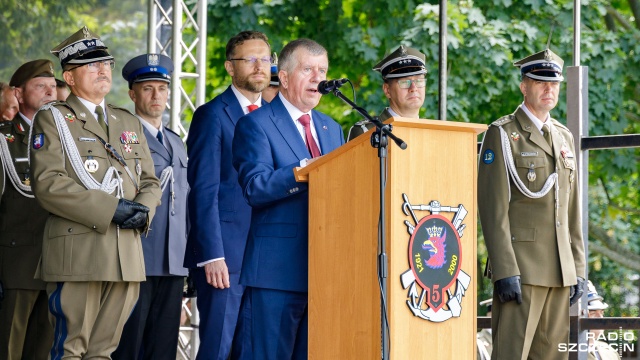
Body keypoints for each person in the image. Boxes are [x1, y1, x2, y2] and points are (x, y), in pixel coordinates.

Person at [30, 26, 161, 358]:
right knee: (70, 349)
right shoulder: (54, 119)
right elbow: (49, 184)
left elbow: (150, 181)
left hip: (125, 257)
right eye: (91, 65)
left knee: (104, 352)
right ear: (69, 77)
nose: (103, 70)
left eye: (106, 63)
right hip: (79, 253)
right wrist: (111, 209)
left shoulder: (126, 122)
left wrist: (142, 210)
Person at [232, 38, 345, 359]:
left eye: (322, 70)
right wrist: (300, 171)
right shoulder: (255, 124)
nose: (317, 78)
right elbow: (254, 188)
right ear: (282, 77)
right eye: (307, 69)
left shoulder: (332, 128)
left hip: (324, 271)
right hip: (275, 274)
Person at [477, 47, 586, 360]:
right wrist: (504, 269)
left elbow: (572, 211)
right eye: (540, 82)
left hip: (560, 268)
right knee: (512, 354)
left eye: (554, 83)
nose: (549, 89)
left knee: (553, 356)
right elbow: (493, 208)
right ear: (524, 86)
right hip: (521, 268)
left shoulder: (564, 137)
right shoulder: (503, 134)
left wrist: (577, 267)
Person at [184, 30, 271, 360]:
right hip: (225, 258)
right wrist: (211, 254)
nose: (259, 66)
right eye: (249, 59)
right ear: (230, 68)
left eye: (265, 59)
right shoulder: (211, 115)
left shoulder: (273, 118)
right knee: (218, 349)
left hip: (265, 258)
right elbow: (203, 190)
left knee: (251, 350)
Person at [112, 53, 188, 360]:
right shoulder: (122, 138)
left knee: (164, 347)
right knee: (128, 346)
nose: (157, 95)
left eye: (162, 88)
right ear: (133, 94)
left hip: (173, 263)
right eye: (147, 88)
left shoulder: (177, 142)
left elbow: (186, 202)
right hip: (137, 256)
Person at [0, 59, 57, 360]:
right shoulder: (3, 139)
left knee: (43, 350)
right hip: (17, 262)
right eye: (40, 86)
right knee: (10, 347)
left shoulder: (66, 138)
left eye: (53, 87)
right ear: (19, 95)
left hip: (56, 263)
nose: (50, 92)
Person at [347, 45, 427, 141]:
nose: (413, 88)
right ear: (387, 90)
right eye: (405, 82)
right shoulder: (366, 132)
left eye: (419, 81)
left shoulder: (432, 132)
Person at [587, 281, 620, 360]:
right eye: (593, 313)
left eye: (602, 312)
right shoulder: (563, 352)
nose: (600, 317)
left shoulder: (610, 352)